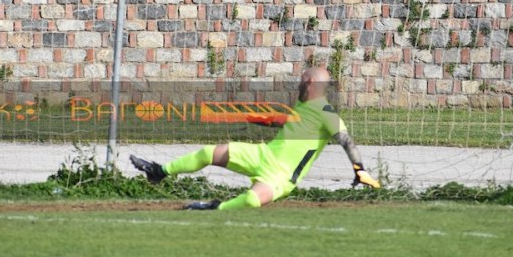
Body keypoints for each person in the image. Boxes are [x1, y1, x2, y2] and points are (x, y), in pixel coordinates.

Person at [130, 66, 381, 210]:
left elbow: (346, 140)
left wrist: (359, 170)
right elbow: (291, 126)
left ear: (312, 83)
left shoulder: (327, 112)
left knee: (252, 199)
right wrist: (259, 118)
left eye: (302, 81)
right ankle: (158, 171)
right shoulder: (304, 108)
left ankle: (214, 208)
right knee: (210, 153)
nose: (298, 84)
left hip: (281, 176)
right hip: (263, 154)